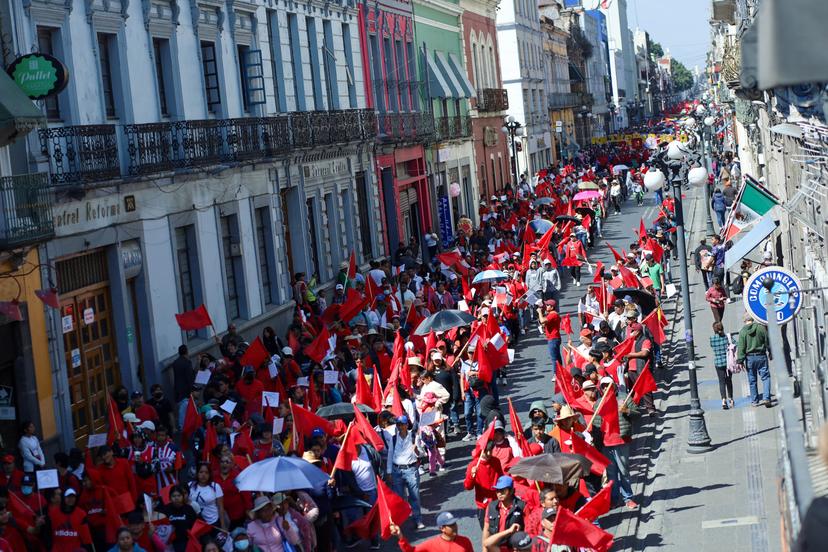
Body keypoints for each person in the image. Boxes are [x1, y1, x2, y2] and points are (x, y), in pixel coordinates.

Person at [387, 415, 424, 529]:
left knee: (414, 496)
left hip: (411, 470)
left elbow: (422, 454)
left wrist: (417, 450)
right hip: (396, 470)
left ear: (407, 425)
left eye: (402, 424)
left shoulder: (414, 437)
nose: (400, 426)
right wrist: (389, 472)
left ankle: (418, 520)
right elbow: (390, 454)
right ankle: (401, 520)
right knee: (399, 498)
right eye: (398, 424)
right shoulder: (393, 438)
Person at [463, 441, 504, 528]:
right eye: (486, 451)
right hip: (483, 506)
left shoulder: (496, 461)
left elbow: (501, 478)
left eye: (490, 450)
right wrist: (471, 476)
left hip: (497, 501)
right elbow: (468, 486)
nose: (489, 453)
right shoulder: (473, 465)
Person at [389, 511, 474, 552]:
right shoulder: (431, 544)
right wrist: (400, 536)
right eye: (451, 525)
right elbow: (411, 551)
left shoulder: (465, 541)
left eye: (454, 524)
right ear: (442, 528)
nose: (455, 527)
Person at [737, 314, 772, 407]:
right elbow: (767, 340)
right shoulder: (761, 328)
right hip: (761, 356)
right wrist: (770, 352)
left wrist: (740, 361)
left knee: (752, 380)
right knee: (765, 377)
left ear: (745, 321)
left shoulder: (743, 332)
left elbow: (741, 347)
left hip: (749, 358)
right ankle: (766, 397)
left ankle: (755, 401)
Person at [482, 476, 524, 551]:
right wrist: (484, 550)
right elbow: (486, 529)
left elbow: (528, 530)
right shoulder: (491, 506)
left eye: (503, 490)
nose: (499, 493)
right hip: (495, 548)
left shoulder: (522, 507)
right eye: (497, 490)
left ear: (511, 491)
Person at [188, 462, 227, 530]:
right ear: (197, 473)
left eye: (206, 472)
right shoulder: (190, 485)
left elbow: (220, 507)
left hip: (213, 522)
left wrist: (223, 527)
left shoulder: (215, 487)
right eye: (201, 472)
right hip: (195, 524)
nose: (203, 475)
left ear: (210, 474)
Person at [710, 322, 734, 410]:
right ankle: (731, 398)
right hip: (728, 362)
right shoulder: (727, 337)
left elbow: (712, 346)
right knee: (729, 380)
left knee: (721, 382)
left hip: (718, 363)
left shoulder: (712, 338)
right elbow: (735, 343)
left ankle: (723, 400)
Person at [172, 344, 194, 429]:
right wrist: (191, 389)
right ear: (187, 352)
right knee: (185, 409)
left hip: (178, 389)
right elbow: (190, 378)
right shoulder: (187, 362)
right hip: (186, 390)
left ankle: (182, 426)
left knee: (181, 408)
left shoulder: (175, 363)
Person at [538, 300, 562, 368]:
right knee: (557, 357)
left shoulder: (553, 314)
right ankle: (560, 372)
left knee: (554, 358)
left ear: (552, 307)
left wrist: (539, 312)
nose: (546, 306)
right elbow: (544, 323)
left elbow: (542, 321)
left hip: (553, 338)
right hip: (554, 338)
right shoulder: (552, 314)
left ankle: (556, 374)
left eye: (548, 305)